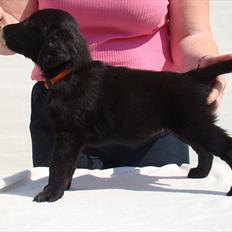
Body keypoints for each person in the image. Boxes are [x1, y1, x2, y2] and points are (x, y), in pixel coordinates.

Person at [0, 0, 230, 169]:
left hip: (151, 111)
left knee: (158, 216)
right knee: (63, 215)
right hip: (65, 111)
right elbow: (16, 30)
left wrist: (204, 63)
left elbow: (190, 34)